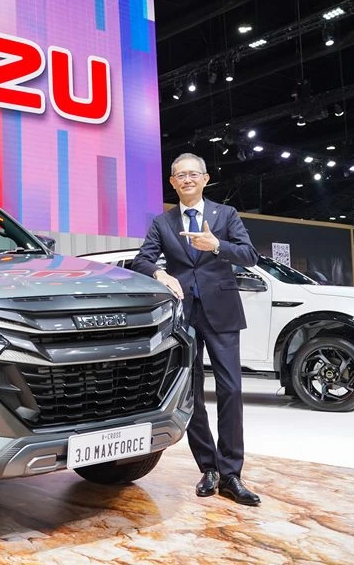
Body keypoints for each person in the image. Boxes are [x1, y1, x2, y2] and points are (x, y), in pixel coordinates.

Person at [131, 153, 261, 506]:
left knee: (231, 389)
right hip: (184, 315)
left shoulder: (225, 215)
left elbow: (249, 255)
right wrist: (160, 273)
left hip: (222, 312)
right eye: (180, 175)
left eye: (193, 174)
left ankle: (232, 473)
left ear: (205, 178)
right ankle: (209, 468)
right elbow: (142, 259)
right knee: (191, 394)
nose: (187, 179)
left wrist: (216, 245)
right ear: (172, 183)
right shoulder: (163, 222)